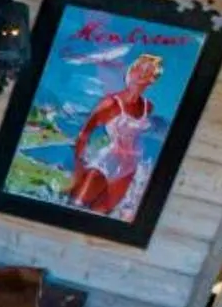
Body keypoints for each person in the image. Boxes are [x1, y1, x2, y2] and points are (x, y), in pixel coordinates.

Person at [66, 52, 165, 215]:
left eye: (145, 71)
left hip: (130, 165)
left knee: (100, 214)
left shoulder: (148, 106)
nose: (137, 73)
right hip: (107, 160)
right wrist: (78, 168)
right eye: (136, 67)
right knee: (75, 206)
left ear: (152, 80)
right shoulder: (110, 103)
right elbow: (84, 133)